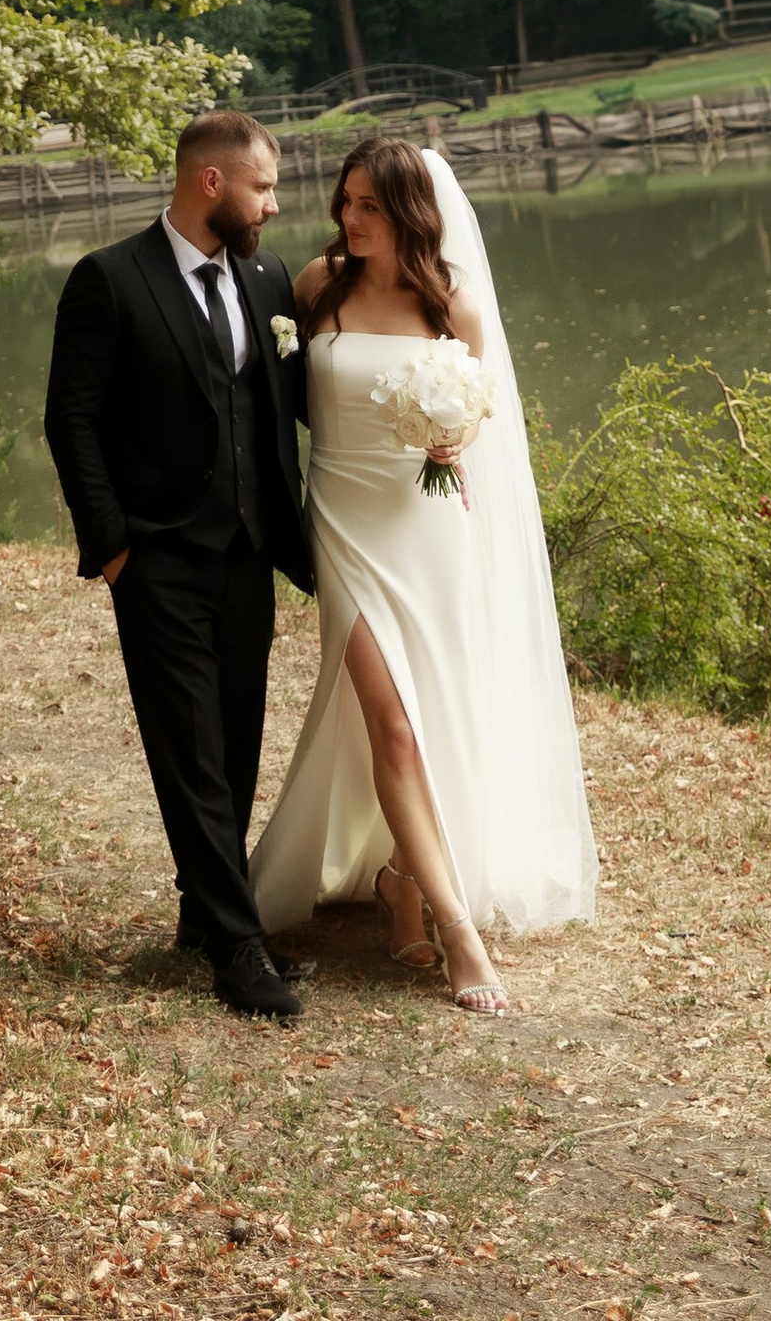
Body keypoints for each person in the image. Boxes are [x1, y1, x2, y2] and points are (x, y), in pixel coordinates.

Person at [248, 134, 596, 1007]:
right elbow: (276, 399)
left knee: (430, 718)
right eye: (346, 200)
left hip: (428, 526)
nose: (350, 217)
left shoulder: (454, 305)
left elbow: (478, 411)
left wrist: (453, 437)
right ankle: (458, 930)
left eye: (369, 205)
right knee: (394, 726)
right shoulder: (317, 286)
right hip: (344, 523)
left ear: (410, 213)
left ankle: (401, 879)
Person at [43, 108, 315, 1022]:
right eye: (262, 187)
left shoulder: (267, 277)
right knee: (189, 750)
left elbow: (286, 401)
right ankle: (239, 948)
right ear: (212, 183)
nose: (272, 206)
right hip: (157, 557)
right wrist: (114, 547)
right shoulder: (110, 279)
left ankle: (205, 915)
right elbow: (71, 419)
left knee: (234, 741)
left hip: (249, 553)